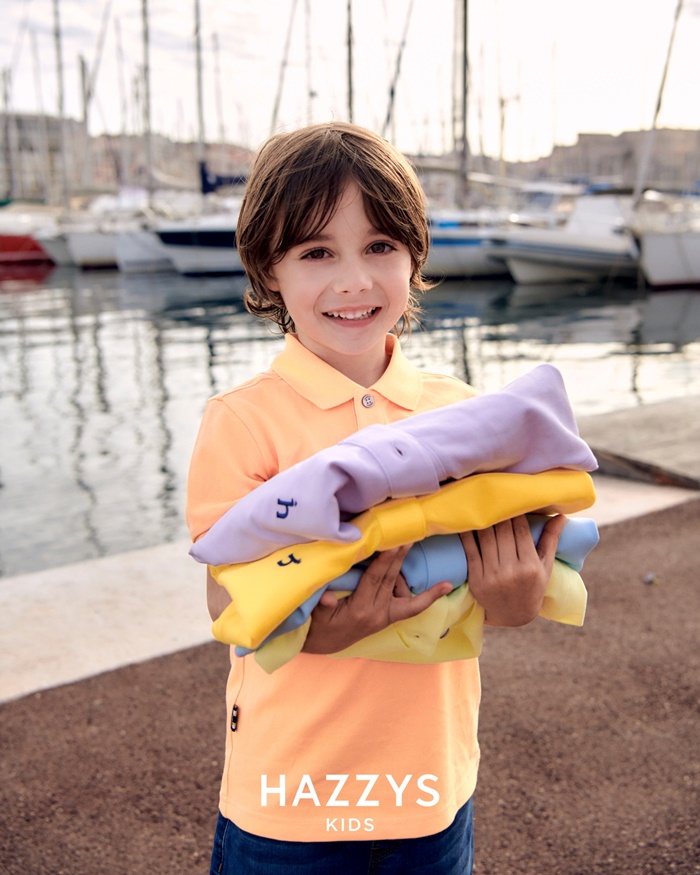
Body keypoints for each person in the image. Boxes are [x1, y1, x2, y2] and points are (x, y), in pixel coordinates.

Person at [186, 121, 569, 875]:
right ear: (268, 269)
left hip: (428, 785)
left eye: (380, 246)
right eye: (316, 252)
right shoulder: (242, 420)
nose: (355, 280)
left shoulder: (465, 414)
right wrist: (326, 634)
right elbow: (223, 598)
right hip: (288, 793)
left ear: (414, 255)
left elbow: (500, 582)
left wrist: (518, 600)